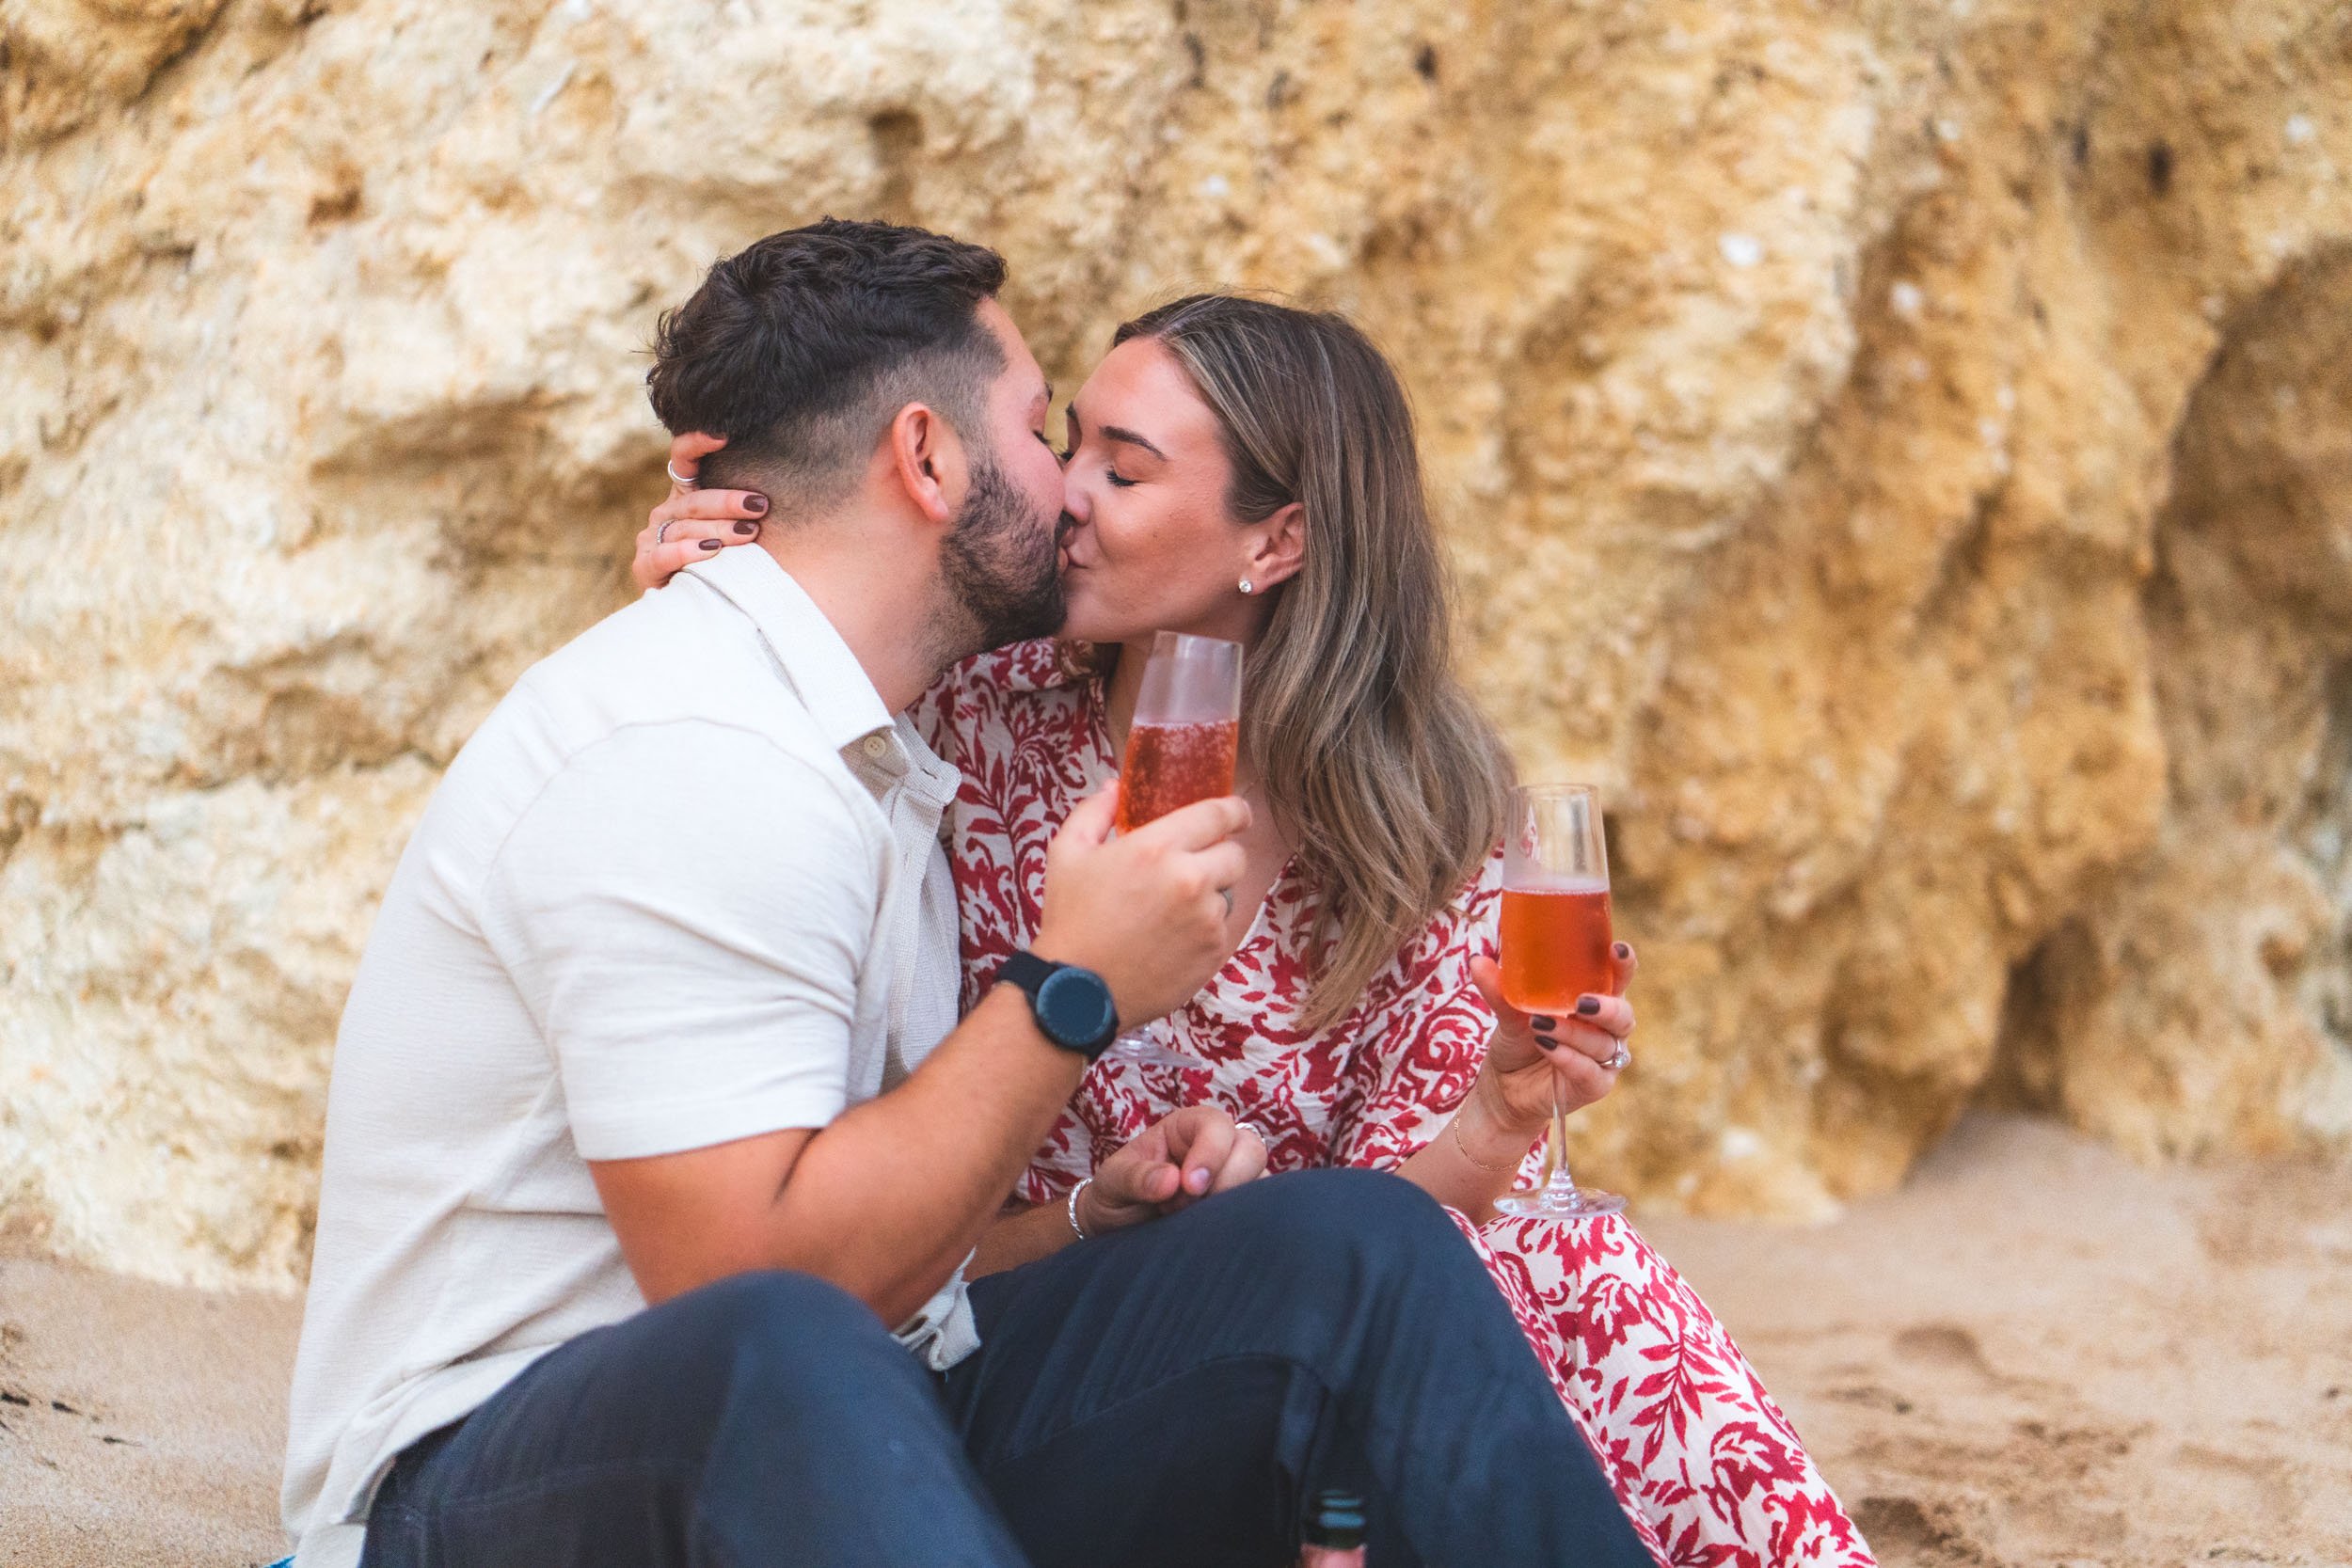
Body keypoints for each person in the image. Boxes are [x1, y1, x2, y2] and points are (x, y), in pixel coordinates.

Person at [279, 221, 1654, 1568]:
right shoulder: (694, 750)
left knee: (1348, 1249)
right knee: (790, 1347)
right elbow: (757, 1292)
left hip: (867, 1412)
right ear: (929, 459)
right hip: (476, 1489)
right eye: (1046, 433)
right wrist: (1074, 986)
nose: (1066, 490)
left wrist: (1081, 1222)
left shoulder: (887, 749)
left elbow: (882, 1282)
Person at [644, 293, 1878, 1568]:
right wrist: (724, 582)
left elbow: (1404, 1252)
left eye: (1119, 469)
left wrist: (1499, 1126)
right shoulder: (967, 717)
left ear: (1277, 541)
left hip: (1294, 1363)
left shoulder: (1427, 827)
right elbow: (769, 727)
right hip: (1002, 1347)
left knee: (1572, 1262)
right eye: (1069, 444)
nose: (1064, 491)